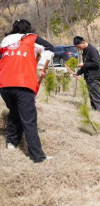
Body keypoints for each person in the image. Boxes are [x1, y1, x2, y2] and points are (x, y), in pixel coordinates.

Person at [0, 19, 54, 163]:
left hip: (4, 85)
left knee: (15, 111)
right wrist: (42, 67)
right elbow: (49, 48)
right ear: (28, 29)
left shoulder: (5, 41)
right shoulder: (31, 38)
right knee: (29, 119)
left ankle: (11, 142)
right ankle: (38, 156)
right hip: (23, 83)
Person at [73, 36, 100, 113]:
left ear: (83, 42)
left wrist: (84, 64)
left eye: (79, 46)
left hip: (94, 76)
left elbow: (96, 63)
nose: (79, 49)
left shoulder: (92, 50)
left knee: (96, 95)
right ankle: (95, 111)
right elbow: (86, 65)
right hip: (89, 76)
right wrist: (78, 72)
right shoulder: (85, 51)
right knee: (92, 96)